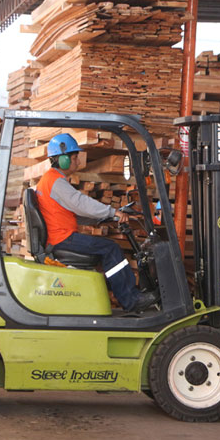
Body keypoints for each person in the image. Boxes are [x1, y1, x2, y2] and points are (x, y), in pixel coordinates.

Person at [35, 134, 159, 313]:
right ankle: (131, 300)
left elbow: (72, 213)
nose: (78, 162)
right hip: (62, 239)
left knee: (107, 249)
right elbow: (80, 203)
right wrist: (111, 211)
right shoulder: (55, 182)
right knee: (111, 248)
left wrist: (104, 217)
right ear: (62, 159)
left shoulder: (51, 180)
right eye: (74, 158)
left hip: (59, 237)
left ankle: (122, 294)